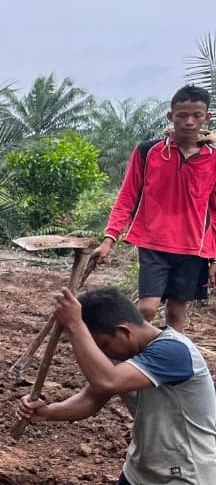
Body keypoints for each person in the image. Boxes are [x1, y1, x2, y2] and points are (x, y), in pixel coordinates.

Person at [16, 287, 216, 485]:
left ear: (124, 330)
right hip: (138, 479)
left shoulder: (174, 352)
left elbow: (106, 382)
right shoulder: (128, 355)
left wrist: (75, 325)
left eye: (104, 346)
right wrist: (46, 412)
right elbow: (91, 398)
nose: (106, 355)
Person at [90, 85, 216, 333]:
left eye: (197, 115)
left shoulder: (213, 159)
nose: (189, 122)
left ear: (207, 117)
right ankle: (130, 350)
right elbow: (127, 196)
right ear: (171, 116)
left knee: (177, 312)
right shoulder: (149, 152)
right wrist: (109, 239)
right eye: (182, 115)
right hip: (154, 243)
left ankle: (168, 355)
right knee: (146, 308)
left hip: (194, 246)